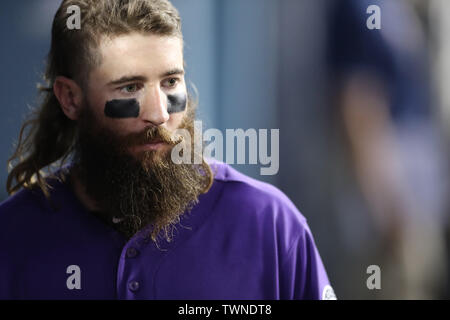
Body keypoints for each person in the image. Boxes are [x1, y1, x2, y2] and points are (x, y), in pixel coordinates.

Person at [0, 0, 333, 300]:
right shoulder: (13, 237)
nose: (159, 114)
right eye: (130, 87)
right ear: (71, 98)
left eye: (170, 82)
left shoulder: (270, 226)